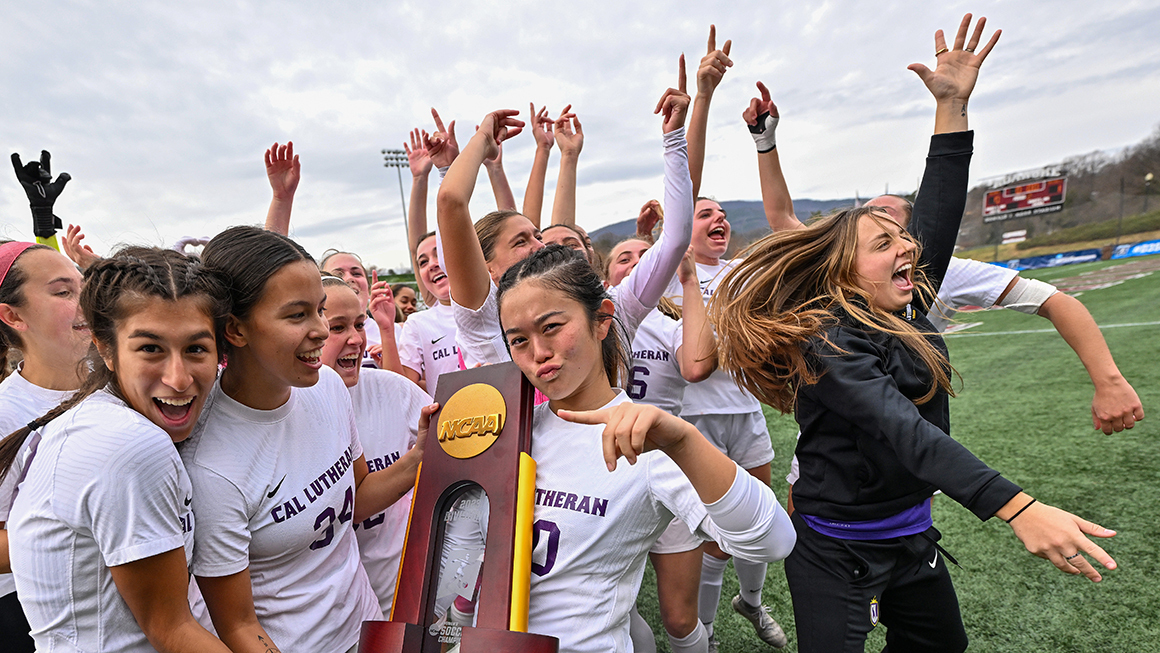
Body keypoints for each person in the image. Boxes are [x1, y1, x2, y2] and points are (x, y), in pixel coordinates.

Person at [494, 244, 796, 653]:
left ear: (602, 319)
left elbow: (773, 541)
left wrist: (684, 442)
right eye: (518, 340)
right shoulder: (508, 433)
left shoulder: (648, 440)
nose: (538, 353)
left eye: (550, 327)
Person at [183, 226, 426, 653]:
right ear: (235, 329)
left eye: (319, 310)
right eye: (297, 315)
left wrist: (422, 456)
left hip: (369, 632)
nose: (319, 330)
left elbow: (359, 495)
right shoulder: (209, 465)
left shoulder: (328, 386)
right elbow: (238, 625)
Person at [2, 247, 232, 653]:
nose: (178, 379)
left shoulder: (109, 414)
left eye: (196, 349)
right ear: (105, 349)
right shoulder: (126, 442)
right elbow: (171, 629)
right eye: (150, 348)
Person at [437, 55, 694, 371]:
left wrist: (673, 139)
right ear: (486, 267)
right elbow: (451, 203)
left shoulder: (612, 310)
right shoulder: (487, 318)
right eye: (521, 242)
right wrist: (481, 143)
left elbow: (676, 239)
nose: (541, 245)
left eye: (537, 236)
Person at [672, 25, 786, 649]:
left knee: (762, 519)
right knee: (718, 531)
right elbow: (682, 186)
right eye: (703, 212)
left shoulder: (744, 271)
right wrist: (706, 96)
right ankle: (707, 632)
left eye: (721, 213)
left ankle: (751, 601)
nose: (717, 218)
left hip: (747, 412)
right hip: (700, 421)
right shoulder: (671, 273)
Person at [606, 239, 719, 653]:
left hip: (665, 474)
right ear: (605, 276)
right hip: (608, 477)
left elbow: (697, 365)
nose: (639, 265)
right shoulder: (594, 323)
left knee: (680, 618)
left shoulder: (669, 323)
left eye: (648, 257)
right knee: (616, 612)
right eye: (625, 258)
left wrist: (689, 280)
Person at [319, 275, 432, 615]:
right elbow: (355, 502)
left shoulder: (392, 389)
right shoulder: (285, 415)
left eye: (359, 324)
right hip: (343, 617)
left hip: (415, 593)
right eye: (337, 328)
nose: (355, 339)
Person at [0, 241, 92, 652]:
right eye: (62, 292)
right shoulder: (5, 413)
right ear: (13, 315)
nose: (83, 301)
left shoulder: (130, 381)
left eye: (84, 287)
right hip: (29, 611)